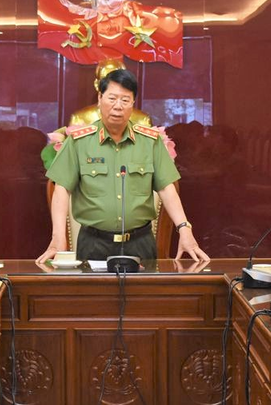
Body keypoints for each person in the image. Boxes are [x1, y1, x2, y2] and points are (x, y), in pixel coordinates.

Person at [37, 68, 209, 264]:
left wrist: (184, 229)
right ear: (100, 98)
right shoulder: (78, 141)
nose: (118, 106)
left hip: (140, 243)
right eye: (112, 98)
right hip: (93, 244)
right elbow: (61, 189)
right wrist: (58, 238)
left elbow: (166, 188)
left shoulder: (150, 141)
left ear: (133, 103)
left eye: (125, 100)